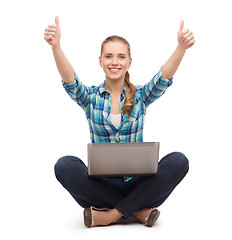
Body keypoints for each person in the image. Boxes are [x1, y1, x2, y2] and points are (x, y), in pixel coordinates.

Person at [44, 16, 195, 228]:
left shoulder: (141, 96)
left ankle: (109, 215)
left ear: (129, 62)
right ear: (100, 61)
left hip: (139, 185)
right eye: (108, 56)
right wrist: (56, 47)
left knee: (179, 161)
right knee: (64, 165)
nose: (114, 62)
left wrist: (181, 47)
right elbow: (70, 81)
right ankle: (137, 212)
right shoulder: (90, 98)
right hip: (99, 187)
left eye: (121, 57)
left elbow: (163, 78)